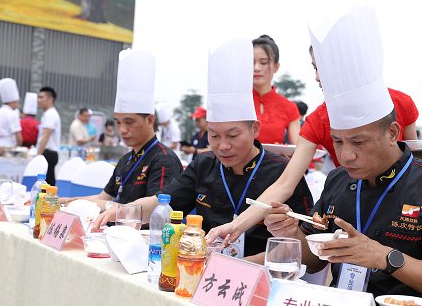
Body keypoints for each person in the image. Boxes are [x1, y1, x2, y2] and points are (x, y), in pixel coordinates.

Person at [263, 6, 422, 306]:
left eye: (359, 142)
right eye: (338, 142)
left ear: (393, 133)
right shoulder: (338, 180)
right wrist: (291, 234)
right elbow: (313, 259)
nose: (346, 155)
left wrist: (384, 257)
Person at [94, 39, 313, 263]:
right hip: (203, 270)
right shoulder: (205, 164)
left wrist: (229, 265)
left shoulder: (281, 172)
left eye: (233, 135)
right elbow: (163, 202)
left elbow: (309, 256)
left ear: (255, 129)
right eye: (214, 135)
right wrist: (124, 211)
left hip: (258, 275)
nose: (223, 146)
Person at [206, 35, 419, 245]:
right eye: (315, 68)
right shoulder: (319, 119)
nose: (317, 77)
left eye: (323, 68)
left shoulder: (401, 103)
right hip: (353, 204)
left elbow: (415, 161)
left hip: (405, 206)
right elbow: (285, 183)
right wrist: (236, 226)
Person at [61, 49, 182, 211]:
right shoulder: (126, 160)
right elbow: (102, 198)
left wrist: (109, 206)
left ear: (150, 120)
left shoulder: (164, 160)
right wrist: (69, 201)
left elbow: (157, 211)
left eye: (129, 122)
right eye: (118, 122)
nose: (122, 130)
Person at [252, 35, 301, 144]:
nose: (256, 68)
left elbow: (298, 149)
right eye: (251, 62)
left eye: (263, 62)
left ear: (276, 66)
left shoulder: (289, 107)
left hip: (275, 160)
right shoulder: (236, 102)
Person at [0, 78, 22, 154]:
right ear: (12, 102)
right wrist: (18, 147)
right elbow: (18, 136)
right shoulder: (12, 114)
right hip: (8, 148)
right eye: (17, 102)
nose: (17, 105)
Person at [36, 86, 61, 186]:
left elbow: (45, 137)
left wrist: (38, 155)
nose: (39, 100)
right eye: (38, 97)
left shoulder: (51, 114)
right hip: (47, 152)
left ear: (50, 99)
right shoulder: (48, 114)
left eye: (42, 97)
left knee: (47, 184)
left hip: (48, 153)